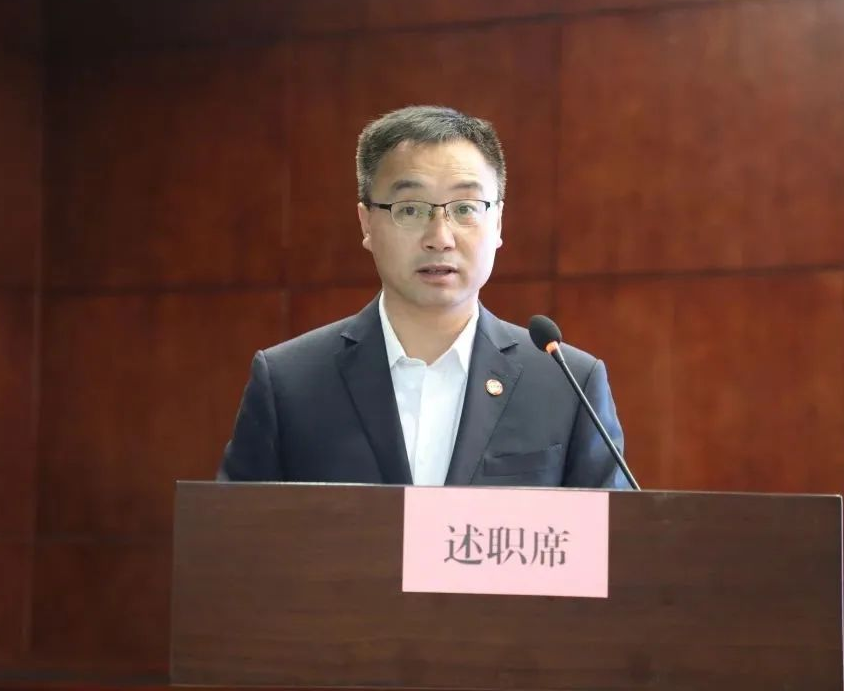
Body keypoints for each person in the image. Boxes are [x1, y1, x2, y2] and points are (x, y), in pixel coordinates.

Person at [217, 105, 630, 488]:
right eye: (411, 209)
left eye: (465, 208)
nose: (440, 238)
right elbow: (235, 536)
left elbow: (612, 537)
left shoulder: (567, 383)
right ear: (366, 223)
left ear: (498, 223)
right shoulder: (289, 382)